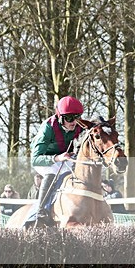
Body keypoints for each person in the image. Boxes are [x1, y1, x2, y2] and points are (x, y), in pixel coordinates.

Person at [30, 95, 85, 224]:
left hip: (64, 157)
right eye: (70, 118)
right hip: (45, 158)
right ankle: (40, 211)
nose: (74, 122)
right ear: (60, 118)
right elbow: (35, 159)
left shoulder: (78, 125)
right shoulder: (47, 128)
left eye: (77, 117)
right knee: (52, 172)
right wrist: (57, 158)